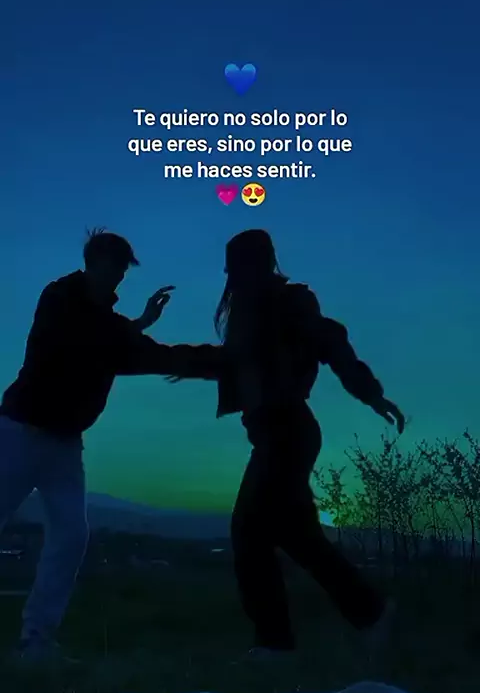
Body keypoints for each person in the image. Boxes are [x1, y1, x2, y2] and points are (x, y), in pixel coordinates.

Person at [171, 228, 405, 659]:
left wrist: (371, 394)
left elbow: (331, 342)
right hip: (275, 433)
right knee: (298, 537)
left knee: (249, 531)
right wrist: (179, 361)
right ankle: (369, 614)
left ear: (255, 264)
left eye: (234, 267)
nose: (229, 277)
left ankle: (276, 643)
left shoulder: (289, 302)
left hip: (288, 432)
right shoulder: (250, 314)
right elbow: (232, 362)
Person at [0, 227, 221, 664]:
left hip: (64, 445)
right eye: (114, 268)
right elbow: (96, 342)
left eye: (122, 271)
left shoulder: (107, 325)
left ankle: (37, 641)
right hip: (20, 433)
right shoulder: (59, 299)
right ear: (93, 264)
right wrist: (136, 329)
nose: (118, 278)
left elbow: (140, 352)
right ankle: (36, 640)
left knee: (71, 535)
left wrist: (220, 363)